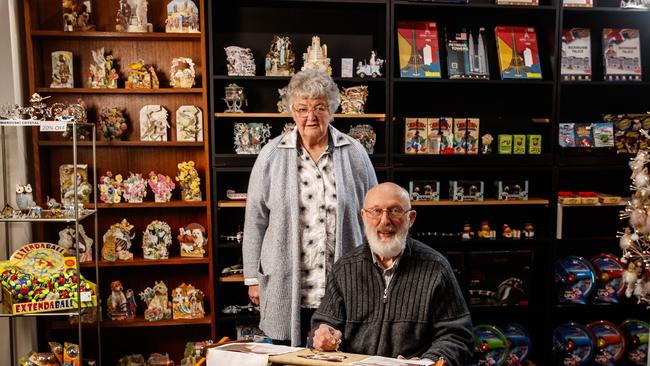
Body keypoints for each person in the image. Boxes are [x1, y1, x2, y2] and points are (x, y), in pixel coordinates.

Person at [242, 69, 378, 346]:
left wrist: (376, 270)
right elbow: (255, 219)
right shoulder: (271, 154)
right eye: (302, 108)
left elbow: (374, 213)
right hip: (286, 281)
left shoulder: (355, 152)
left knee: (340, 355)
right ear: (292, 111)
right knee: (285, 356)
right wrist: (251, 278)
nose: (310, 117)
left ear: (332, 110)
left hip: (341, 282)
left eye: (319, 108)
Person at [312, 183, 473, 365]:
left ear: (410, 218)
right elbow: (323, 324)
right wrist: (325, 336)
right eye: (376, 211)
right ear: (364, 217)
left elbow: (457, 337)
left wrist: (428, 361)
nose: (385, 220)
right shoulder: (344, 268)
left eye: (395, 211)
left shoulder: (436, 268)